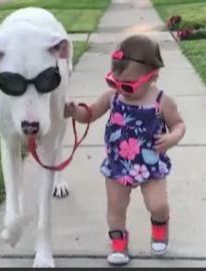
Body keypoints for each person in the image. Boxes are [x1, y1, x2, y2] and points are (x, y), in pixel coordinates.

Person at [64, 34, 186, 266]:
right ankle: (119, 242)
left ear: (153, 76)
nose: (121, 89)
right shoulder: (113, 97)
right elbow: (89, 114)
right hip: (117, 165)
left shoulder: (162, 102)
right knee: (115, 208)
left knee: (157, 204)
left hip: (150, 163)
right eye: (114, 82)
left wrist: (172, 137)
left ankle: (160, 225)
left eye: (127, 84)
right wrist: (74, 112)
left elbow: (179, 124)